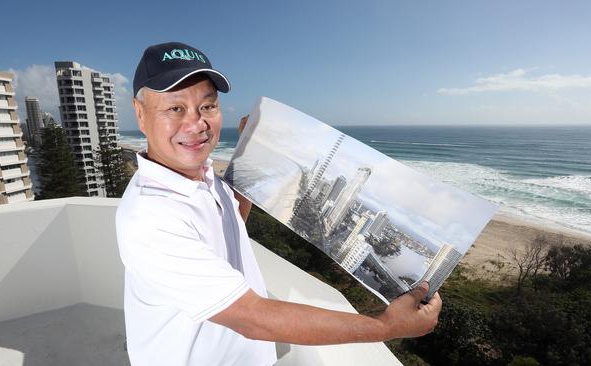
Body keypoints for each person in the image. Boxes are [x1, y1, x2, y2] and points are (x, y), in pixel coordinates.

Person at [116, 41, 442, 366]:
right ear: (141, 114)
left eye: (207, 106)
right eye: (176, 108)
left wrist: (248, 151)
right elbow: (253, 318)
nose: (196, 123)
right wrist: (387, 326)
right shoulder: (151, 216)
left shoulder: (200, 175)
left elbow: (230, 225)